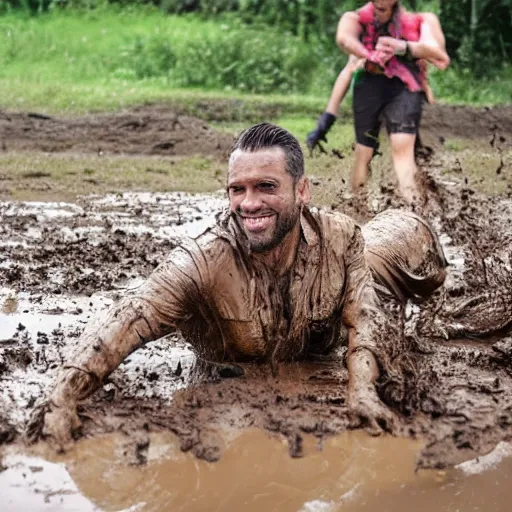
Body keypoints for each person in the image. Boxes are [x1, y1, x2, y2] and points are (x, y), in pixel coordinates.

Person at [37, 123, 446, 451]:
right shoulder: (202, 262)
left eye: (266, 187)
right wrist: (62, 399)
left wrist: (363, 392)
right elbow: (125, 319)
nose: (249, 204)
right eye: (238, 189)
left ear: (301, 190)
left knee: (410, 235)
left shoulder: (342, 239)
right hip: (231, 369)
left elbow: (365, 318)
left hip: (340, 273)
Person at [328, 1, 449, 203]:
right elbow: (345, 46)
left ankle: (416, 210)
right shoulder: (359, 20)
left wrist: (404, 47)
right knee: (363, 153)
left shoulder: (421, 20)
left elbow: (438, 54)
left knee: (403, 154)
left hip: (405, 88)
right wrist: (329, 113)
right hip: (368, 87)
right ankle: (357, 209)